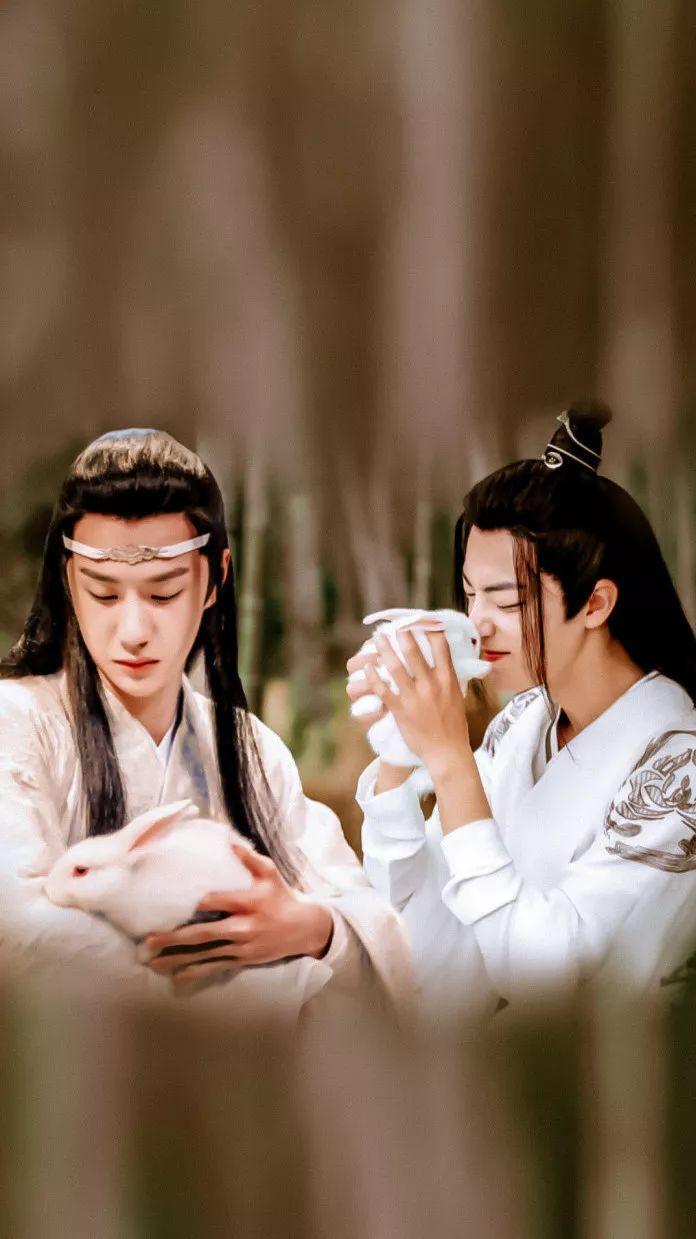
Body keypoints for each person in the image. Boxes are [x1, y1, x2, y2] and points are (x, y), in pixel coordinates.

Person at [0, 428, 412, 1014]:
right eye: (105, 595)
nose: (134, 631)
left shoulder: (250, 750)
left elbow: (376, 931)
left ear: (214, 578)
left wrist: (310, 929)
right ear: (70, 581)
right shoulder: (17, 724)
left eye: (163, 594)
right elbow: (19, 930)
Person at [349, 403, 696, 1017]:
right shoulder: (522, 722)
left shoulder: (679, 763)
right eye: (469, 595)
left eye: (507, 602)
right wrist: (399, 759)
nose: (477, 624)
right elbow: (431, 948)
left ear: (596, 604)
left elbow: (546, 980)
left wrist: (450, 760)